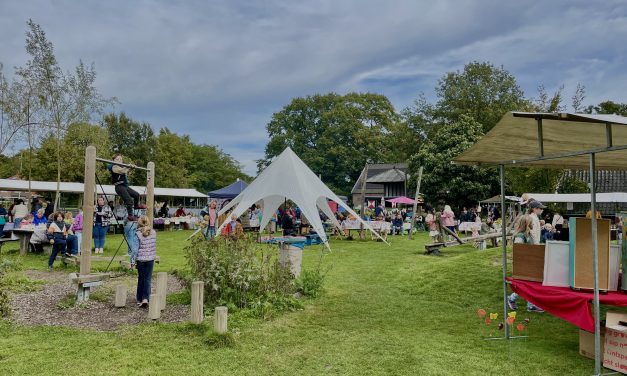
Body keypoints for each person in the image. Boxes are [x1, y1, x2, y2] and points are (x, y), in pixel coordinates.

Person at [508, 214, 544, 313]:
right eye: (531, 222)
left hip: (530, 263)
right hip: (524, 265)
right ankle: (516, 300)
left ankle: (528, 304)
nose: (533, 224)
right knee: (527, 286)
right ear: (526, 224)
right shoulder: (520, 236)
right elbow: (519, 252)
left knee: (529, 285)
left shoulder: (528, 234)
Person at [129, 215, 157, 307]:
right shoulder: (153, 232)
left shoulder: (137, 234)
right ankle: (146, 298)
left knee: (141, 278)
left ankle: (139, 298)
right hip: (150, 259)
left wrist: (132, 261)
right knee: (148, 279)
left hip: (140, 259)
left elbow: (134, 250)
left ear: (139, 223)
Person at [108, 154, 142, 221]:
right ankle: (130, 215)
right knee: (129, 200)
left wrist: (131, 167)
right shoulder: (113, 167)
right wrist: (129, 167)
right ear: (113, 160)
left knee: (136, 195)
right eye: (117, 159)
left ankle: (136, 206)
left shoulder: (122, 166)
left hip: (124, 186)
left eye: (120, 159)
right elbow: (122, 171)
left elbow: (125, 170)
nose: (119, 160)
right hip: (119, 187)